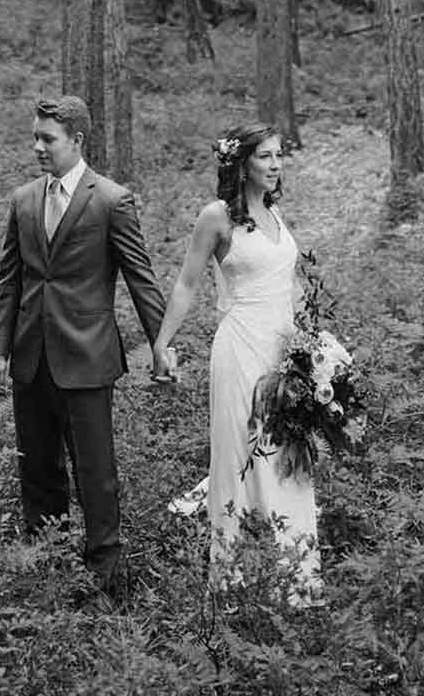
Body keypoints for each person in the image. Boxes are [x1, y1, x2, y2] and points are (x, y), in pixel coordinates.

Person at [0, 96, 168, 599]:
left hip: (87, 357)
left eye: (48, 139)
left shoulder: (111, 200)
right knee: (37, 468)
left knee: (94, 471)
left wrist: (162, 344)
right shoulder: (24, 199)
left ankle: (105, 577)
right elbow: (9, 280)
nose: (38, 147)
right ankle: (45, 566)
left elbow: (140, 277)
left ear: (78, 141)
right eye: (35, 137)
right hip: (30, 357)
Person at [152, 124, 322, 607]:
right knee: (240, 454)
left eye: (279, 155)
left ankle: (294, 580)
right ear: (241, 162)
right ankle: (234, 581)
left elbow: (289, 285)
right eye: (265, 156)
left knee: (289, 458)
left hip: (284, 353)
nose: (276, 164)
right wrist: (163, 343)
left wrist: (313, 345)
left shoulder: (274, 213)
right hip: (240, 347)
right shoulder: (217, 216)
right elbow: (187, 283)